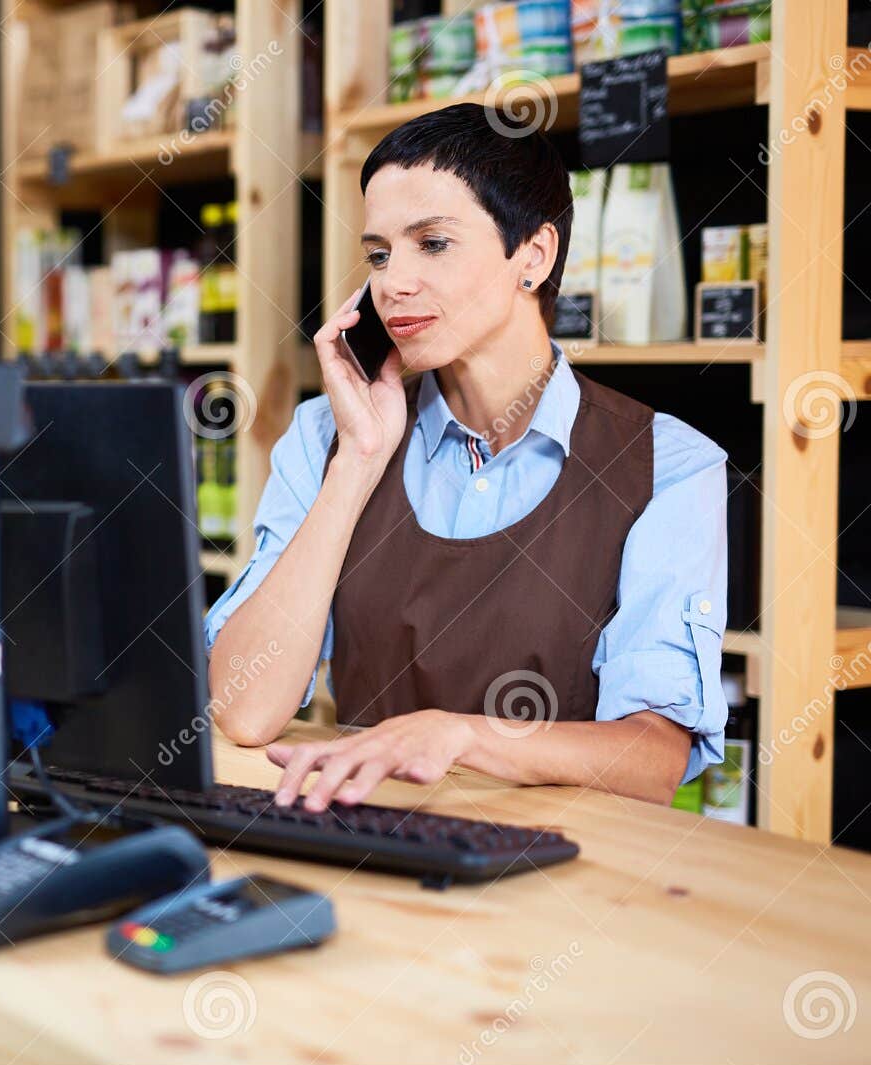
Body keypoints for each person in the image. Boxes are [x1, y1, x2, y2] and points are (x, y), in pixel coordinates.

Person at [205, 103, 727, 810]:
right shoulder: (326, 436)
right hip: (368, 853)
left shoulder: (667, 466)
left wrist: (458, 736)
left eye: (434, 244)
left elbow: (655, 756)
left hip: (566, 882)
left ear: (533, 257)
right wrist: (357, 461)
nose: (394, 283)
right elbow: (242, 708)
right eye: (380, 254)